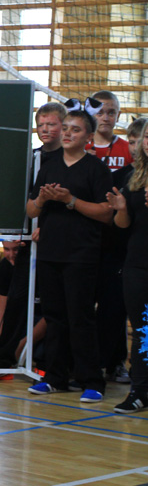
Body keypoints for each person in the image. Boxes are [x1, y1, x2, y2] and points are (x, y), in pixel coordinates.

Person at [27, 100, 115, 402]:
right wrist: (42, 200)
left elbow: (106, 213)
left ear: (88, 137)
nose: (66, 133)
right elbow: (31, 209)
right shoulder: (49, 166)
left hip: (81, 254)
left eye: (74, 130)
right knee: (54, 317)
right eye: (64, 128)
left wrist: (70, 201)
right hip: (50, 252)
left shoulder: (96, 169)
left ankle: (92, 380)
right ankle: (55, 377)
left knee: (80, 318)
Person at [0, 101, 67, 379]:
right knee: (17, 301)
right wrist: (12, 237)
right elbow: (16, 199)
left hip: (59, 243)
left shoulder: (70, 160)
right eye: (41, 125)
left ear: (63, 126)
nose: (45, 129)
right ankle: (3, 361)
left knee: (55, 305)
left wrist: (49, 228)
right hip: (27, 241)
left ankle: (48, 364)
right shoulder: (30, 158)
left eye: (51, 124)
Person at [88, 91, 132, 383]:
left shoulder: (129, 149)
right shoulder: (81, 146)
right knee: (81, 304)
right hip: (86, 237)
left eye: (111, 112)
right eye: (101, 111)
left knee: (116, 304)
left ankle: (116, 362)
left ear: (118, 115)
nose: (106, 117)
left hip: (119, 240)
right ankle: (81, 362)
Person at [108, 128, 148, 412]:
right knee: (142, 330)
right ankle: (140, 391)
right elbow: (123, 225)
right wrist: (121, 208)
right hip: (137, 263)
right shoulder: (134, 176)